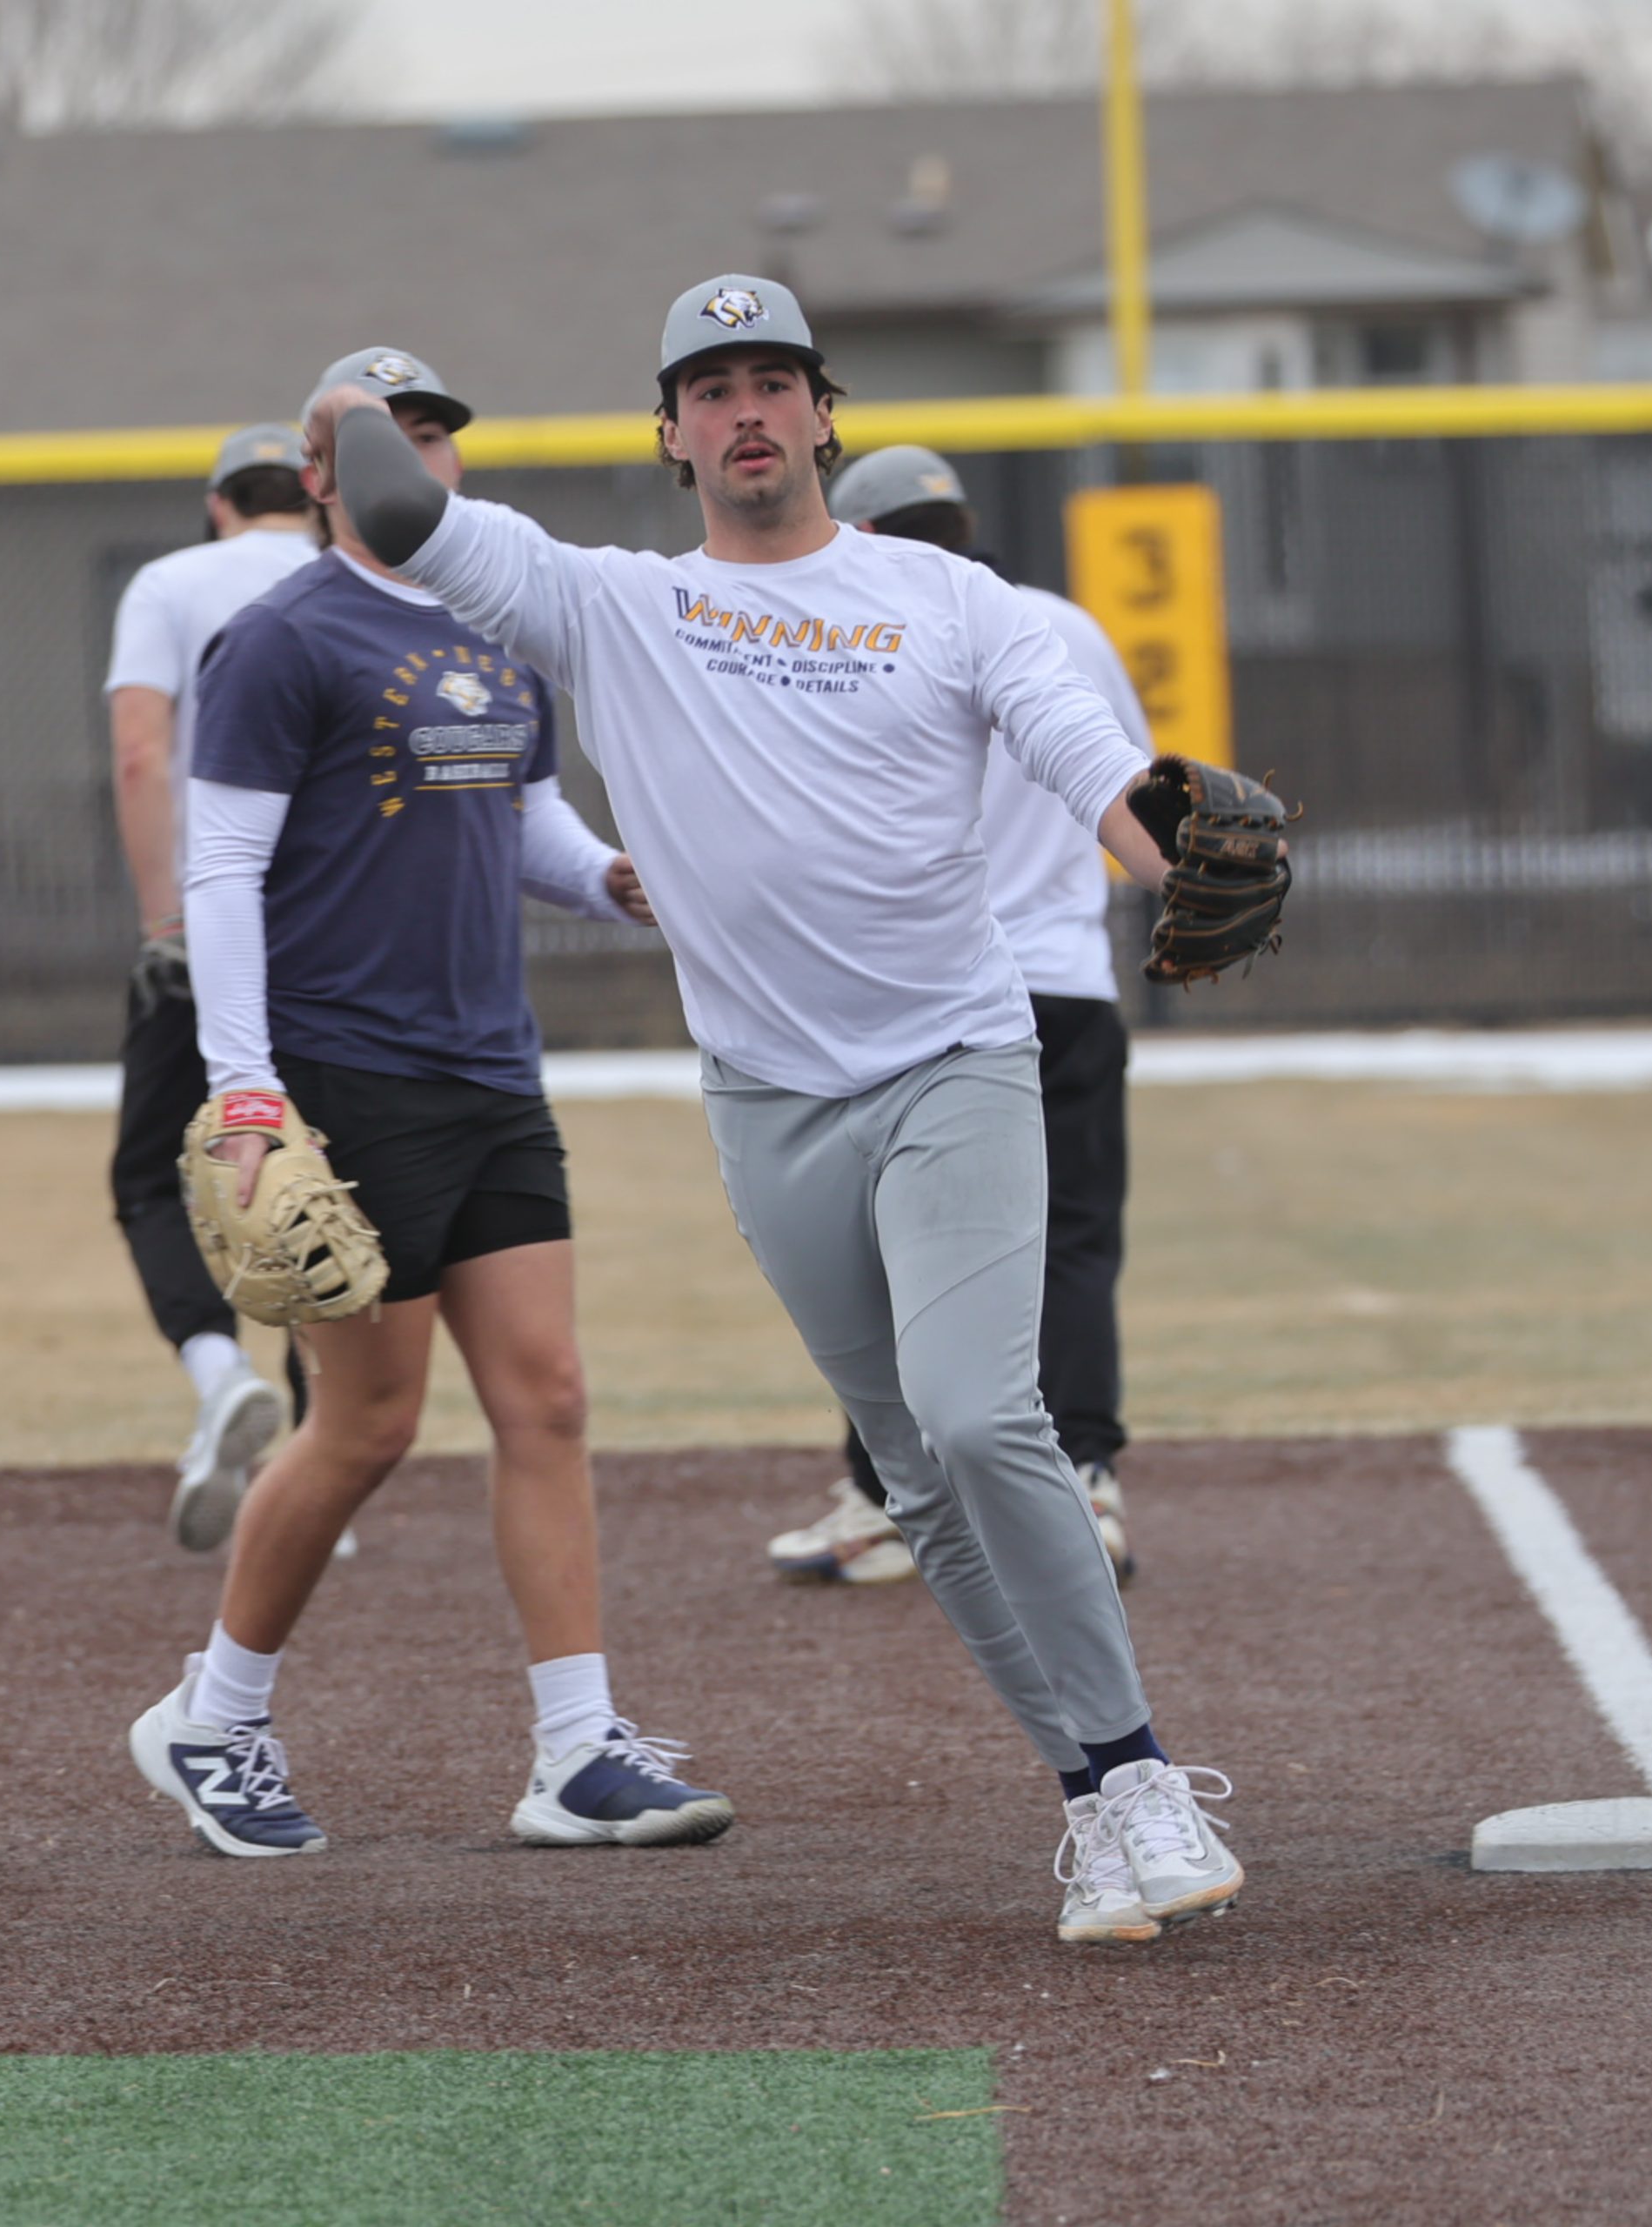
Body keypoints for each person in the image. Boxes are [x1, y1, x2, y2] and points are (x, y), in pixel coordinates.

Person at [308, 278, 1249, 1945]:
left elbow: (1077, 746)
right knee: (911, 1477)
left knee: (978, 1418)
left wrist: (1164, 852)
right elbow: (390, 504)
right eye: (710, 387)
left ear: (826, 414)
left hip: (954, 1063)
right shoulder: (611, 605)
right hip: (769, 1104)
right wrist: (357, 403)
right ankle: (1099, 1795)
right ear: (670, 435)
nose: (746, 410)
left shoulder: (950, 598)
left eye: (775, 381)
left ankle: (1146, 1774)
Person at [128, 345, 733, 1859]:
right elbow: (219, 873)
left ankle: (579, 1751)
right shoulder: (281, 638)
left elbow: (520, 811)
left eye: (434, 433)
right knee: (370, 1423)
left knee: (549, 1399)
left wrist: (608, 878)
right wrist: (249, 1088)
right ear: (320, 476)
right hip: (348, 1072)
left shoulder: (489, 619)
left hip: (488, 1068)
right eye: (381, 439)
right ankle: (215, 1715)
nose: (419, 456)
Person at [766, 444, 1142, 1591]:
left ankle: (888, 1500)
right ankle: (1086, 1485)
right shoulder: (1066, 626)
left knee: (883, 1255)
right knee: (1069, 1244)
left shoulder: (855, 638)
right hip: (1068, 979)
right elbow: (1133, 781)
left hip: (923, 998)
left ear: (864, 535)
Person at [104, 425, 316, 1552]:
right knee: (324, 1182)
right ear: (313, 496)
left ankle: (220, 1368)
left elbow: (144, 752)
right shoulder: (348, 577)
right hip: (332, 937)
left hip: (212, 925)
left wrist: (164, 922)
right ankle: (317, 1475)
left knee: (151, 1178)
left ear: (218, 501)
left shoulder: (171, 580)